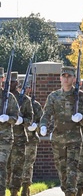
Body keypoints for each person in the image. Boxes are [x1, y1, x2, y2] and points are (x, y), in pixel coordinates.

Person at [39, 66, 83, 196]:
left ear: (73, 78)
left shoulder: (80, 96)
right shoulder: (53, 96)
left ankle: (71, 193)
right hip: (58, 140)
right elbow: (47, 114)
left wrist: (81, 118)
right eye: (64, 76)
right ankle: (68, 190)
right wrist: (43, 125)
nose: (66, 79)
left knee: (72, 170)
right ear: (60, 78)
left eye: (69, 76)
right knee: (62, 172)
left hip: (74, 140)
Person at [7, 71, 33, 196]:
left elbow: (30, 120)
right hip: (4, 137)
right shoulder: (3, 98)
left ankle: (14, 191)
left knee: (17, 167)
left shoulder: (25, 100)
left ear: (17, 83)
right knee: (5, 167)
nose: (9, 84)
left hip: (19, 139)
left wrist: (22, 120)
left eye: (11, 82)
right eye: (7, 82)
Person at [0, 67, 20, 196]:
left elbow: (16, 117)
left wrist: (8, 118)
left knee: (1, 168)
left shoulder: (9, 97)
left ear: (2, 79)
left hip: (4, 139)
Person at [21, 80, 43, 196]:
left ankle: (25, 187)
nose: (25, 90)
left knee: (28, 164)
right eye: (22, 87)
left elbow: (42, 122)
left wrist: (36, 126)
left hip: (30, 140)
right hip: (17, 139)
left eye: (27, 87)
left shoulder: (35, 105)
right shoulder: (15, 102)